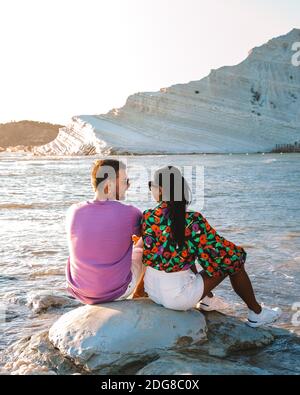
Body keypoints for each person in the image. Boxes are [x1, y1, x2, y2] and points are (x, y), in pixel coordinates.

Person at [136, 166, 281, 328]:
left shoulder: (147, 216)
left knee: (186, 253)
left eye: (151, 185)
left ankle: (207, 299)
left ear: (161, 189)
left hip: (153, 291)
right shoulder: (192, 220)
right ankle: (257, 313)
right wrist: (237, 254)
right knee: (235, 260)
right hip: (177, 298)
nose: (151, 190)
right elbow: (226, 254)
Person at [65, 159, 145, 304]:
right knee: (145, 243)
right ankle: (140, 297)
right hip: (115, 293)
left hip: (80, 292)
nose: (128, 185)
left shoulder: (73, 210)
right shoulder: (130, 213)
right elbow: (148, 236)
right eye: (125, 181)